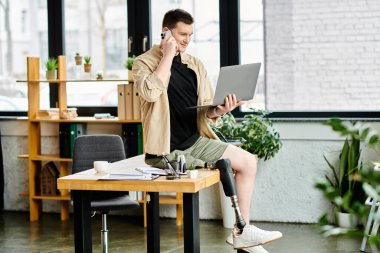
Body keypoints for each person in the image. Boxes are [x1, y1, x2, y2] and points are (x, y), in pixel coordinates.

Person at [132, 8, 282, 253]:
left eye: (190, 35)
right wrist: (168, 55)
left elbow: (206, 111)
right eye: (182, 34)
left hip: (194, 140)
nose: (187, 40)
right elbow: (149, 92)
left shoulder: (195, 64)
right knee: (210, 171)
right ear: (166, 32)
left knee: (247, 162)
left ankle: (242, 232)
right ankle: (242, 232)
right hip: (165, 150)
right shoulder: (143, 62)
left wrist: (222, 109)